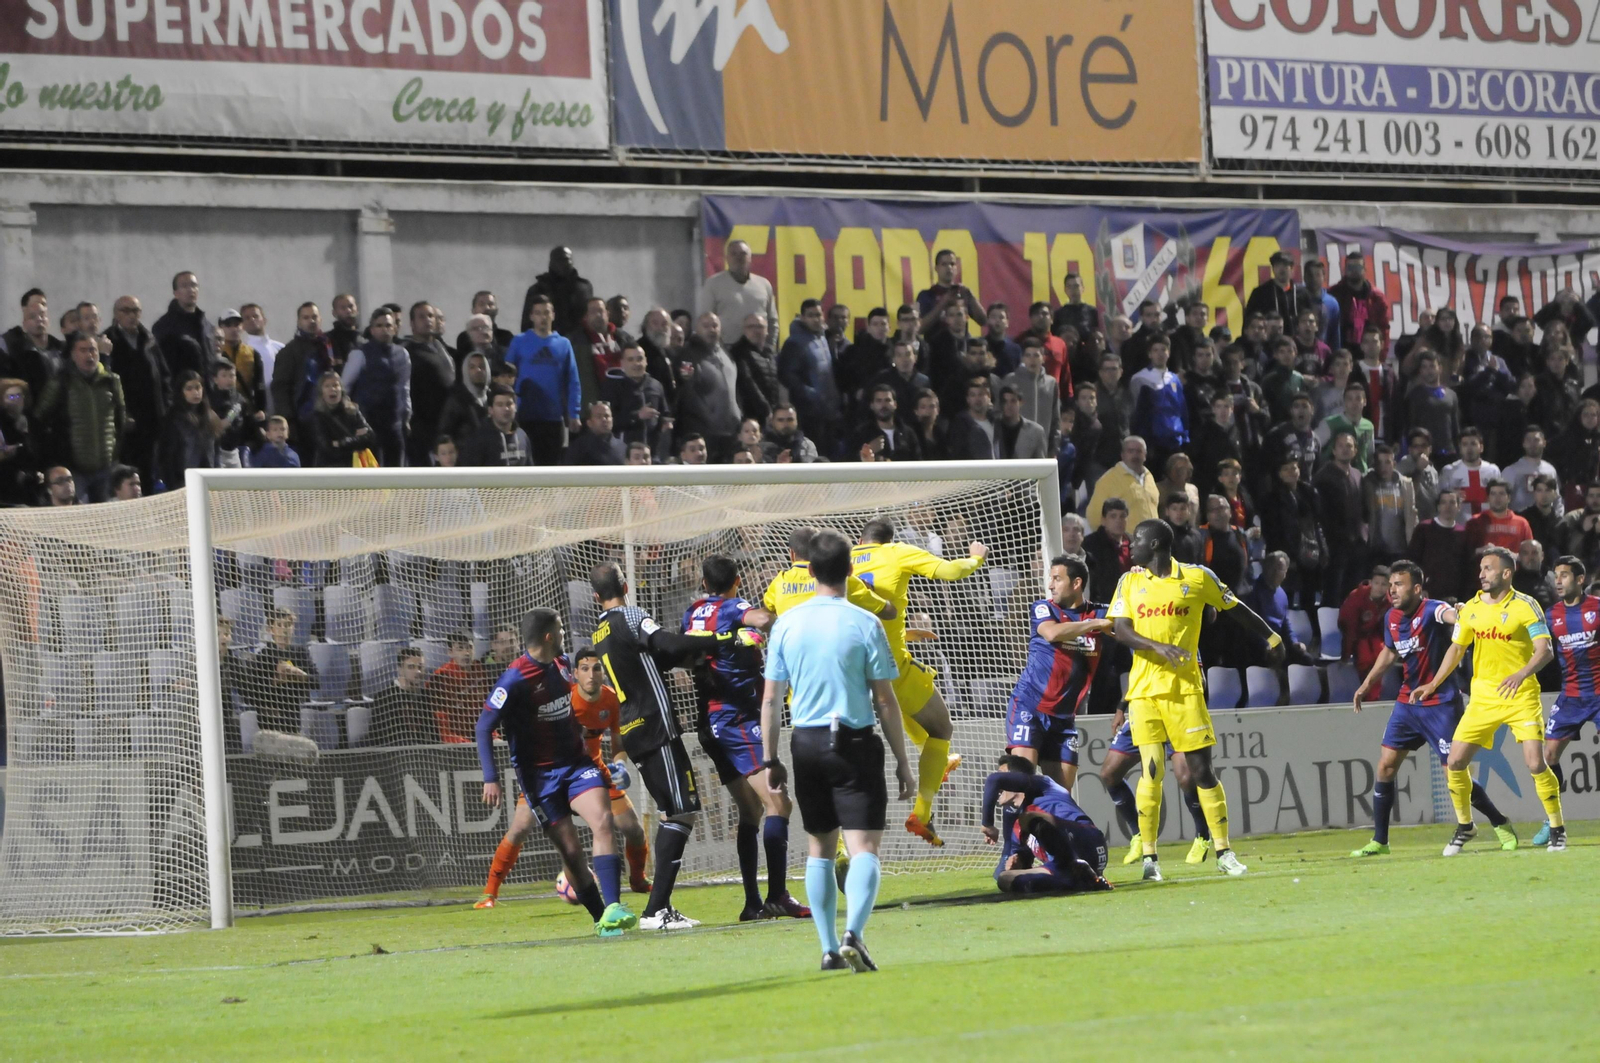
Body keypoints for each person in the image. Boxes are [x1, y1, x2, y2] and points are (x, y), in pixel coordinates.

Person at [759, 530, 915, 973]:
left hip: (806, 742)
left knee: (819, 850)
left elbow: (770, 699)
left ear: (808, 571)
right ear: (851, 570)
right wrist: (904, 761)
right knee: (863, 848)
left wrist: (771, 759)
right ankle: (855, 934)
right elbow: (885, 699)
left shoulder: (787, 622)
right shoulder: (864, 622)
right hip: (854, 741)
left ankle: (828, 948)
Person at [1107, 518, 1282, 880]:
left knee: (1202, 771)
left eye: (1136, 540)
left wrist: (1271, 636)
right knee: (1151, 771)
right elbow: (1120, 629)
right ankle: (1150, 860)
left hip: (1185, 689)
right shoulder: (1130, 581)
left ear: (1155, 544)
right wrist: (1156, 646)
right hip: (1143, 692)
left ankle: (1223, 851)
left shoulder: (1197, 578)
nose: (1131, 545)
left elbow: (1235, 608)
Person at [476, 610, 636, 937]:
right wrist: (490, 776)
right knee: (572, 852)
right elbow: (483, 726)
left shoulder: (563, 663)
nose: (565, 633)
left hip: (577, 765)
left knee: (604, 821)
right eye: (561, 629)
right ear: (549, 636)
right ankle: (600, 920)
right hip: (538, 780)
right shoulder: (515, 679)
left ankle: (614, 906)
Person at [589, 561, 724, 930]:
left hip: (632, 728)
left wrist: (687, 653)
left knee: (676, 811)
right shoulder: (629, 615)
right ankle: (656, 910)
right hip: (653, 724)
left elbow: (655, 657)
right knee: (681, 810)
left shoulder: (599, 630)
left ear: (597, 596)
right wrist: (719, 639)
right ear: (626, 586)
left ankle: (660, 907)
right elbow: (663, 642)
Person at [1349, 560, 1515, 857]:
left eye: (1399, 585)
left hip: (1441, 704)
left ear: (1416, 588)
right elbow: (1389, 653)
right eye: (1390, 585)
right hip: (1408, 702)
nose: (1392, 590)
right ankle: (1380, 841)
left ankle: (1499, 822)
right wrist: (1366, 684)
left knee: (1454, 771)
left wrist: (1462, 612)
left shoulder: (1432, 609)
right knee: (1385, 766)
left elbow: (1451, 615)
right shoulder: (1390, 618)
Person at [1416, 546, 1570, 854]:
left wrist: (1521, 674)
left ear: (1506, 573)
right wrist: (1433, 683)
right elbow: (1457, 649)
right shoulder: (1472, 607)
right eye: (1481, 568)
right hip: (1483, 698)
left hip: (1520, 695)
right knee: (1455, 762)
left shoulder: (1527, 606)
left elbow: (1546, 650)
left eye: (1487, 568)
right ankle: (1465, 826)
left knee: (1535, 763)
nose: (1481, 574)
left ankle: (1557, 828)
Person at [682, 556, 809, 920]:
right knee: (779, 803)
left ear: (704, 583)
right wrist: (745, 631)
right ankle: (778, 895)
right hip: (736, 718)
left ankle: (754, 903)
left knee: (751, 810)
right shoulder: (734, 607)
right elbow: (765, 619)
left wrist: (722, 645)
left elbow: (688, 652)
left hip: (710, 720)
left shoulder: (692, 613)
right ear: (738, 581)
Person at [851, 519, 987, 846]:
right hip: (888, 665)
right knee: (941, 728)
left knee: (847, 761)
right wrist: (975, 557)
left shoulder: (842, 559)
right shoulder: (896, 553)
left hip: (847, 668)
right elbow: (951, 572)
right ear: (888, 540)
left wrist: (905, 633)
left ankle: (841, 848)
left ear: (861, 539)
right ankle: (922, 812)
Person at [1004, 555, 1112, 790]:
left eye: (1056, 579)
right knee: (1023, 785)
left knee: (1059, 797)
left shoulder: (1102, 613)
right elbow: (1052, 634)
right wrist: (1094, 625)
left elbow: (1132, 618)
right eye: (1050, 579)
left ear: (1076, 583)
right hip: (1029, 707)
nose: (1050, 585)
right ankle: (1008, 826)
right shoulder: (1044, 608)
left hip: (1063, 719)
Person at [1533, 557, 1600, 846]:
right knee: (1547, 758)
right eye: (1556, 575)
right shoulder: (1552, 614)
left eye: (1564, 575)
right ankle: (1552, 819)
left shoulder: (1597, 608)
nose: (1558, 581)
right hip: (1571, 695)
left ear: (1581, 579)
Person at [981, 755, 1112, 895]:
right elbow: (1022, 860)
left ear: (1016, 778)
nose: (1000, 787)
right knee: (1005, 879)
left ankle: (1075, 867)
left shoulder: (1045, 785)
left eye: (1004, 775)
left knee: (1028, 817)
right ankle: (1082, 882)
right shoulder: (1017, 827)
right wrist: (1018, 862)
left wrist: (988, 823)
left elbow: (994, 780)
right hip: (1066, 866)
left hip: (1086, 840)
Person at [36, 334, 127, 501]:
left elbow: (120, 419)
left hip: (106, 465)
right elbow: (40, 417)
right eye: (83, 350)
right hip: (74, 468)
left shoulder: (112, 380)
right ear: (73, 354)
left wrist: (115, 452)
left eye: (92, 350)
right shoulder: (61, 382)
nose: (89, 355)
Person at [505, 294, 581, 465]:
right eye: (538, 313)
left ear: (553, 315)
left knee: (551, 467)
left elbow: (572, 380)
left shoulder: (563, 344)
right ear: (531, 316)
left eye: (546, 313)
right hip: (524, 415)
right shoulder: (519, 342)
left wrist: (574, 412)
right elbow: (506, 378)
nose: (543, 317)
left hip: (553, 418)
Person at [341, 308, 411, 468]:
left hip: (394, 424)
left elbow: (405, 388)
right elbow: (345, 387)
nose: (384, 329)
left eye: (388, 325)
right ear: (372, 330)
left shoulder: (403, 354)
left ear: (394, 328)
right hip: (369, 425)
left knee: (396, 473)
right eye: (379, 325)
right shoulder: (359, 354)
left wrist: (406, 416)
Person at [778, 299, 841, 458]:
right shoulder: (794, 343)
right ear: (803, 318)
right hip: (808, 412)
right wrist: (811, 394)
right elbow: (786, 375)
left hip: (827, 410)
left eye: (818, 314)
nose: (816, 319)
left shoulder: (822, 338)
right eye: (811, 315)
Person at [243, 607, 317, 733]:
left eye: (288, 625)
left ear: (293, 627)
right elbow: (251, 690)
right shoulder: (264, 655)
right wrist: (274, 681)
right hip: (270, 719)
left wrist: (298, 673)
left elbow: (316, 681)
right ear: (271, 629)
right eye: (279, 625)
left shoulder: (300, 653)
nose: (284, 629)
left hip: (292, 717)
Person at [698, 239, 777, 344]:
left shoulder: (764, 284)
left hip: (758, 350)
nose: (738, 257)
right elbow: (706, 321)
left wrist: (770, 347)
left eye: (743, 254)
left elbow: (772, 321)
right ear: (727, 258)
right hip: (727, 350)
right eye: (733, 254)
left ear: (750, 258)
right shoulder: (713, 284)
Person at [155, 370, 219, 491]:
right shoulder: (173, 419)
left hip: (208, 480)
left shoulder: (209, 416)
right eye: (189, 388)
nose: (195, 392)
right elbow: (167, 457)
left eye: (198, 387)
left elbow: (214, 451)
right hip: (183, 482)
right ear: (181, 392)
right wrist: (173, 486)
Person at [1406, 487, 1470, 602]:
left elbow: (1465, 567)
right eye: (1443, 502)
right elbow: (1413, 561)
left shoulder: (1463, 533)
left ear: (1458, 507)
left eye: (1452, 502)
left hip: (1453, 597)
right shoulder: (1424, 528)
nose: (1448, 507)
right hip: (1427, 594)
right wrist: (1420, 586)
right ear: (1438, 506)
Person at [1087, 436, 1162, 530]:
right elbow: (1094, 515)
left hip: (1150, 540)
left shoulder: (1149, 476)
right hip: (1126, 542)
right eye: (1130, 451)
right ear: (1122, 455)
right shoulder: (1108, 480)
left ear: (1145, 455)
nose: (1135, 455)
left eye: (1139, 451)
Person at [307, 372, 377, 468]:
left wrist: (340, 443)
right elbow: (327, 448)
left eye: (336, 385)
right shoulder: (317, 416)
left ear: (341, 389)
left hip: (355, 466)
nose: (332, 389)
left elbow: (370, 437)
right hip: (330, 468)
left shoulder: (353, 410)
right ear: (321, 392)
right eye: (327, 386)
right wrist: (356, 439)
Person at [520, 245, 592, 336]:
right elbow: (527, 323)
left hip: (579, 343)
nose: (563, 263)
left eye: (566, 259)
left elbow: (590, 318)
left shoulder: (584, 288)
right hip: (546, 342)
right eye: (559, 259)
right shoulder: (537, 290)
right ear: (551, 262)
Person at [1329, 250, 1390, 354]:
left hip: (1368, 354)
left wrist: (1382, 356)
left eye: (1358, 267)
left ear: (1364, 269)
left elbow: (1384, 329)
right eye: (1350, 268)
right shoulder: (1334, 294)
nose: (1354, 271)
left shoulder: (1377, 298)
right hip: (1341, 353)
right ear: (1345, 269)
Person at [459, 384, 532, 467]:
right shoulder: (479, 439)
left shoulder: (522, 436)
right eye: (500, 405)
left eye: (509, 404)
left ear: (515, 407)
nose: (506, 409)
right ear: (490, 410)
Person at [1337, 566, 1391, 678]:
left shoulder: (1389, 602)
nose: (1379, 588)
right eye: (1376, 583)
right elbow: (1349, 628)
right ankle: (1363, 687)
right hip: (1355, 634)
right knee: (1364, 658)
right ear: (1370, 583)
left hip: (1373, 633)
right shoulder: (1357, 597)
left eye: (1384, 584)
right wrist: (1345, 656)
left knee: (1380, 655)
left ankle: (1374, 690)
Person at [1439, 427, 1500, 517]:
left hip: (1487, 525)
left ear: (1481, 447)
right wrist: (1452, 497)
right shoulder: (1449, 471)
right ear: (1460, 448)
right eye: (1464, 444)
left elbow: (1501, 500)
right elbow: (1439, 501)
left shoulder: (1493, 470)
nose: (1469, 448)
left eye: (1473, 444)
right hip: (1459, 527)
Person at [1465, 478, 1532, 555]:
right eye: (1493, 494)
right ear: (1488, 498)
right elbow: (1466, 552)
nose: (1497, 498)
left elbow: (1530, 553)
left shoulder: (1522, 523)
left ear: (1509, 498)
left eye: (1501, 494)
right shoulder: (1475, 521)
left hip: (1512, 566)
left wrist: (1513, 556)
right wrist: (1481, 550)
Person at [1083, 497, 1132, 603]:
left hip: (1132, 601)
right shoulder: (1090, 545)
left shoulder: (1134, 543)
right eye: (1113, 516)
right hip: (1104, 605)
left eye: (1122, 516)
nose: (1118, 521)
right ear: (1103, 520)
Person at [563, 401, 625, 466]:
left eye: (607, 416)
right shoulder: (577, 449)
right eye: (599, 416)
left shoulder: (623, 447)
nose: (604, 419)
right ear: (589, 423)